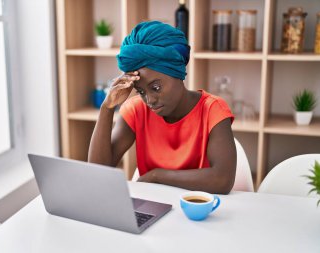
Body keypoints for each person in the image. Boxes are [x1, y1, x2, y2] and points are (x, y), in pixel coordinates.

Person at [88, 21, 236, 194]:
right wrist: (107, 108)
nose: (149, 100)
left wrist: (156, 176)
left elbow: (223, 180)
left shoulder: (213, 110)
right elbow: (98, 173)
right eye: (140, 91)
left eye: (156, 87)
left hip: (198, 212)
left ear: (177, 73)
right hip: (154, 208)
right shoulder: (137, 110)